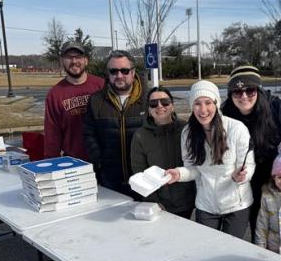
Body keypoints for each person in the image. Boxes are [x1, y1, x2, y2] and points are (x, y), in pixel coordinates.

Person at [221, 65, 281, 232]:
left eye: (250, 90)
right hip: (248, 185)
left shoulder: (280, 110)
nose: (244, 96)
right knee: (259, 233)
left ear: (259, 90)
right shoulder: (225, 114)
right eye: (237, 92)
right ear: (231, 94)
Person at [166, 80, 255, 239]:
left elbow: (248, 164)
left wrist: (242, 175)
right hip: (205, 204)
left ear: (216, 104)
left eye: (208, 103)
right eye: (197, 103)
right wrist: (179, 174)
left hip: (236, 204)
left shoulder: (236, 128)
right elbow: (193, 169)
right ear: (192, 106)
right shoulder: (187, 133)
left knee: (230, 252)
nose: (203, 109)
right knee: (207, 248)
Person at [84, 50, 146, 195]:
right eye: (114, 71)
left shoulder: (150, 100)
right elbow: (89, 134)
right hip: (110, 181)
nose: (119, 76)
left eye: (124, 71)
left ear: (133, 71)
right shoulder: (96, 100)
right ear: (108, 73)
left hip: (143, 181)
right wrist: (99, 162)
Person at [130, 87, 196, 218]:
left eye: (165, 102)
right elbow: (139, 171)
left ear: (172, 106)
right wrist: (153, 201)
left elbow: (197, 164)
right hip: (159, 204)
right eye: (153, 103)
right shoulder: (140, 136)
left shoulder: (187, 130)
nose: (159, 106)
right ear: (148, 109)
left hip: (187, 201)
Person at [43, 41, 104, 160]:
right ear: (61, 61)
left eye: (78, 57)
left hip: (105, 161)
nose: (74, 61)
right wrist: (52, 163)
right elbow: (52, 135)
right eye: (69, 57)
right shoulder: (55, 95)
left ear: (86, 60)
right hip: (74, 163)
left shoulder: (101, 86)